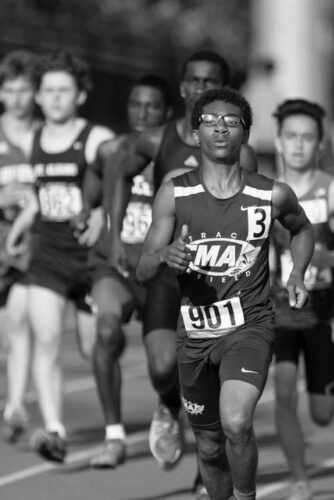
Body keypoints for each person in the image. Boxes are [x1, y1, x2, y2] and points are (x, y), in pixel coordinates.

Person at [137, 87, 314, 500]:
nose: (220, 128)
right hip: (195, 335)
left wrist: (298, 274)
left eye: (231, 122)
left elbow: (302, 228)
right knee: (210, 446)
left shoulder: (271, 194)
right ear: (195, 133)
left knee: (236, 422)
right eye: (211, 121)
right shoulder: (174, 193)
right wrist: (164, 254)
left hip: (249, 326)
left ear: (246, 134)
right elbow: (144, 270)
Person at [110, 51, 257, 497]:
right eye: (192, 80)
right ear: (182, 88)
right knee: (160, 366)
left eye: (209, 82)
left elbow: (254, 209)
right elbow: (118, 170)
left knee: (215, 385)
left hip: (217, 284)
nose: (198, 88)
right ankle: (168, 404)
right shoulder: (156, 141)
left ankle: (206, 469)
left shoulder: (240, 150)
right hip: (171, 272)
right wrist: (116, 233)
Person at [8, 51, 114, 463]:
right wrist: (23, 223)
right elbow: (39, 194)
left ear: (80, 95)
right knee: (46, 338)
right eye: (47, 91)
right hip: (48, 255)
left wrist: (103, 213)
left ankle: (119, 425)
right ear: (38, 96)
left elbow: (121, 189)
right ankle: (54, 430)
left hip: (90, 260)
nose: (54, 98)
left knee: (94, 348)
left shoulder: (96, 139)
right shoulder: (31, 140)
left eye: (63, 90)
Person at [270, 99, 334, 500]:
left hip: (323, 310)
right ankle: (299, 479)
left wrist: (331, 256)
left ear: (320, 145)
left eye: (307, 138)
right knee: (284, 392)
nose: (298, 145)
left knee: (323, 415)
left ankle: (328, 372)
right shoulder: (266, 192)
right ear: (277, 141)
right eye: (291, 136)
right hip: (278, 310)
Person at [78, 75, 173, 468]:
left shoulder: (176, 156)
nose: (142, 113)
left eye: (151, 106)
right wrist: (87, 212)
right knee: (105, 330)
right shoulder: (109, 149)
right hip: (113, 267)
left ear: (167, 112)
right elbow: (92, 188)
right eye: (135, 104)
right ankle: (114, 435)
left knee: (163, 367)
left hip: (159, 273)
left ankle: (168, 406)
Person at [0, 50, 40, 443]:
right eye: (8, 90)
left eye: (23, 90)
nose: (16, 98)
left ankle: (15, 404)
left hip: (31, 247)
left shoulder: (46, 136)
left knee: (21, 323)